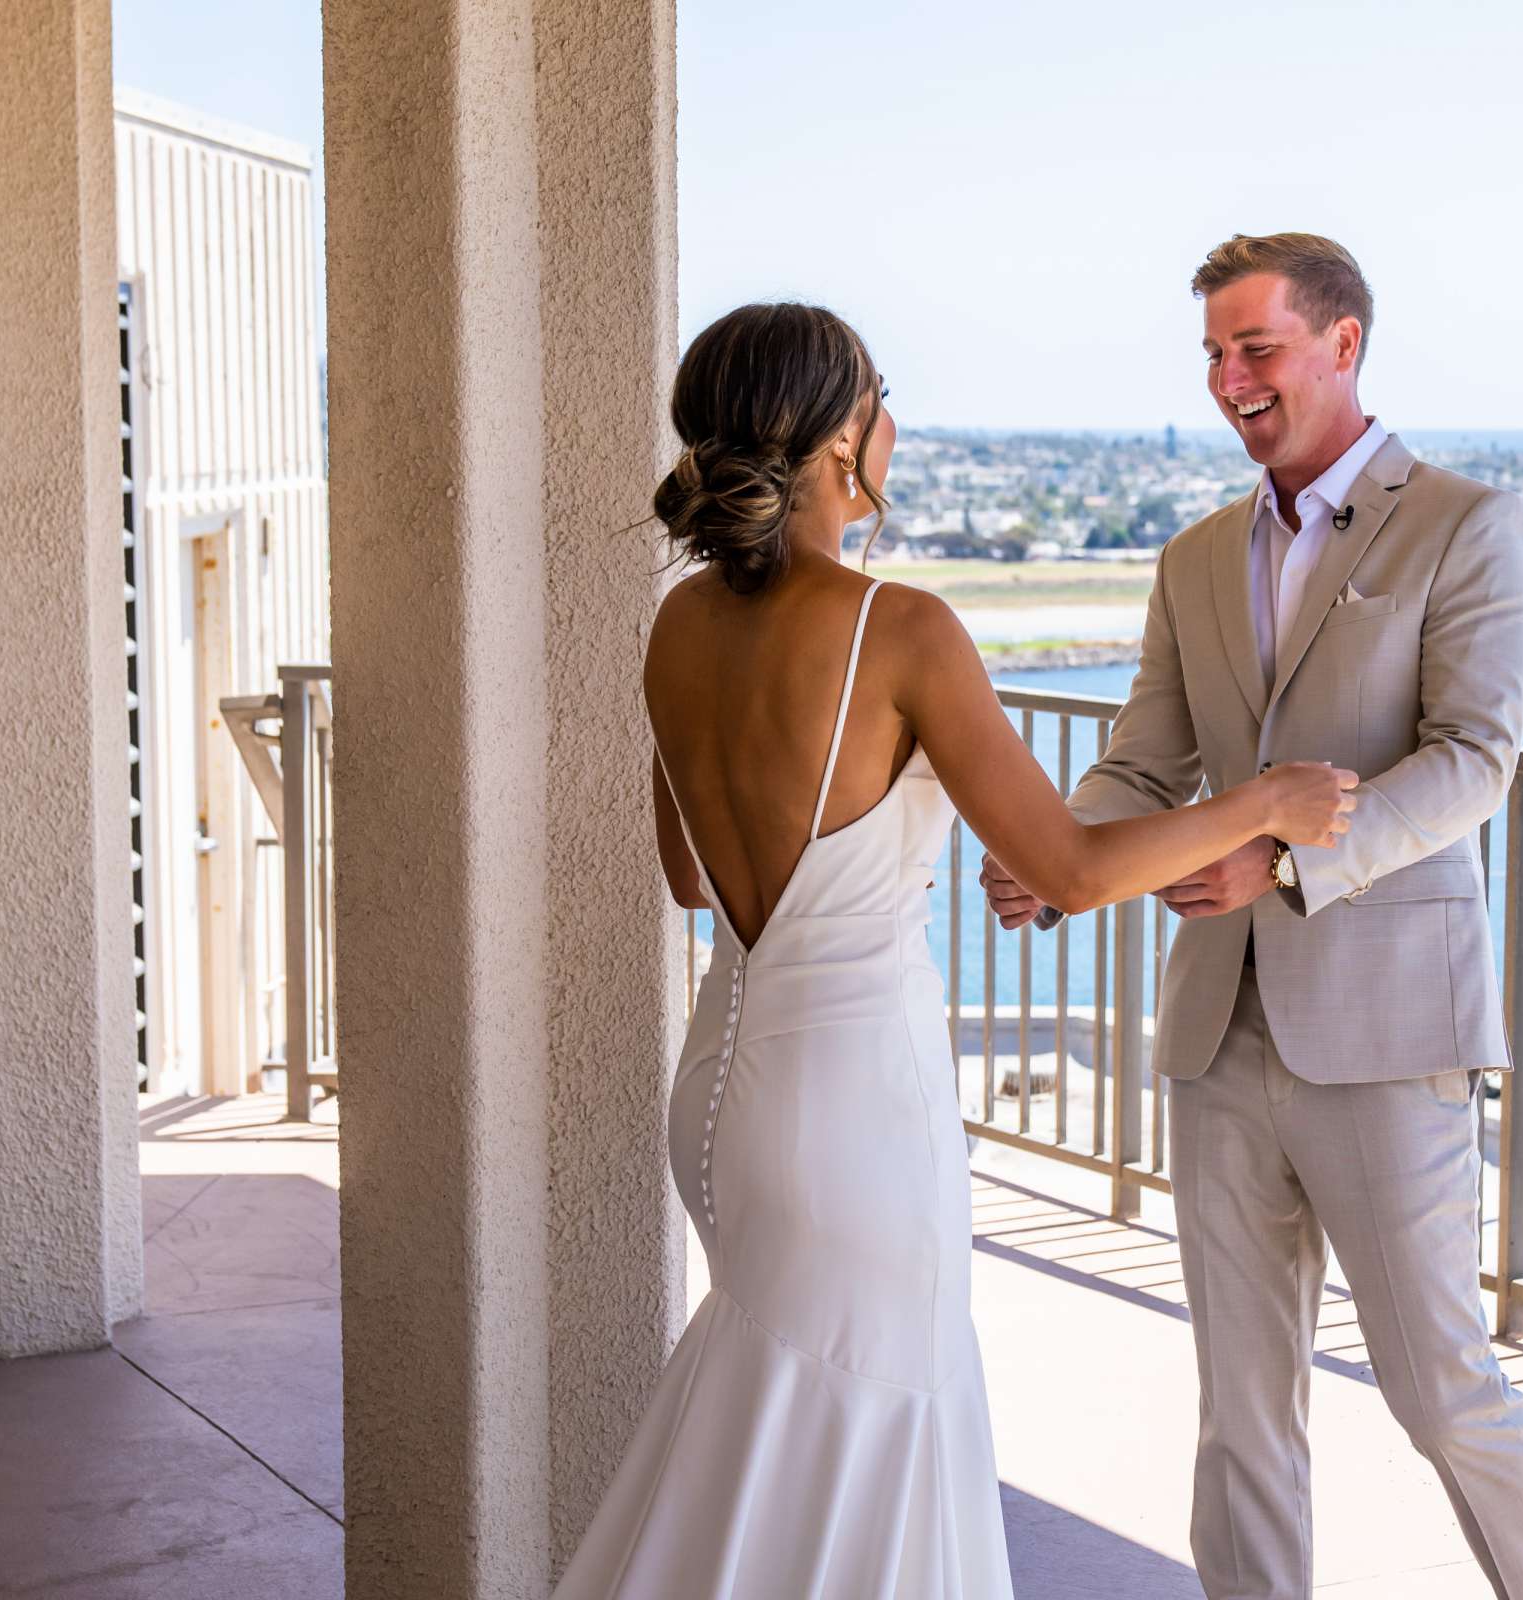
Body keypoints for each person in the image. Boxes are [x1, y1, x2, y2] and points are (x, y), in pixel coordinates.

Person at [551, 301, 1356, 1599]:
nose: (896, 421)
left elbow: (690, 875)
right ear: (837, 442)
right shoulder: (898, 628)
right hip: (855, 1114)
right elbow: (1072, 870)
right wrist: (1270, 805)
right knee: (868, 1450)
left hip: (719, 1093)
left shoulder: (679, 625)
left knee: (777, 1442)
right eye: (882, 395)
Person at [982, 233, 1523, 1600]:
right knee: (1241, 1410)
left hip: (1383, 1034)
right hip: (1216, 1033)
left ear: (1344, 343)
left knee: (1441, 1385)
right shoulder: (1196, 558)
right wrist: (1053, 851)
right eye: (1212, 353)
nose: (1230, 378)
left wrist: (1289, 861)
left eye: (1256, 347)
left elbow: (1471, 762)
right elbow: (1146, 759)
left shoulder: (1465, 524)